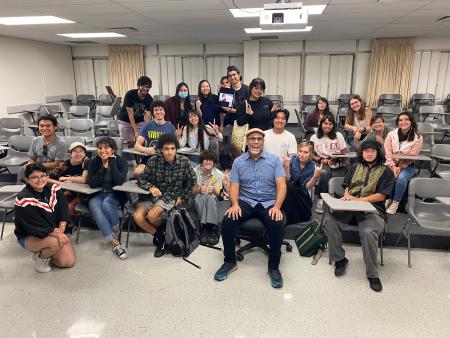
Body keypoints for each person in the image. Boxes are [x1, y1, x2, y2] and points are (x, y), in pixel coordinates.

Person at [214, 128, 287, 289]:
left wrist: (277, 207)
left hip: (268, 202)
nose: (255, 142)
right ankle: (230, 261)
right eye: (252, 139)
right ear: (247, 142)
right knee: (228, 220)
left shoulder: (274, 160)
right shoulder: (239, 162)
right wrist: (234, 204)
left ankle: (273, 267)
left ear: (263, 142)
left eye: (259, 139)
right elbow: (234, 187)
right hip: (246, 201)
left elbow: (282, 186)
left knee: (277, 222)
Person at [325, 139, 395, 292]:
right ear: (361, 153)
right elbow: (347, 186)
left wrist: (359, 200)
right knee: (330, 220)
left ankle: (372, 273)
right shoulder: (355, 167)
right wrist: (347, 197)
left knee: (368, 232)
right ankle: (340, 259)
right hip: (350, 206)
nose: (369, 153)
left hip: (373, 209)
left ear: (378, 153)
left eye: (372, 151)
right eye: (366, 150)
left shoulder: (386, 171)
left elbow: (381, 196)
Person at [134, 133, 197, 257]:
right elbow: (141, 179)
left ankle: (162, 238)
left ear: (176, 149)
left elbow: (192, 181)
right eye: (166, 149)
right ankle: (161, 235)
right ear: (161, 149)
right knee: (137, 217)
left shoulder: (183, 161)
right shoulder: (153, 161)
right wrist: (150, 187)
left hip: (169, 196)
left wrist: (182, 197)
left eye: (173, 148)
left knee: (152, 216)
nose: (170, 152)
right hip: (150, 196)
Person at [14, 163, 76, 273]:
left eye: (43, 176)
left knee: (67, 262)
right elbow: (34, 226)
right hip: (30, 235)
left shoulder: (55, 189)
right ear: (27, 180)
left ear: (47, 177)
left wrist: (61, 231)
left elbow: (63, 212)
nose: (39, 180)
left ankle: (46, 249)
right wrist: (58, 235)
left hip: (54, 232)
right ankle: (41, 259)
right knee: (55, 243)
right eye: (34, 177)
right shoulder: (23, 199)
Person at [87, 137, 128, 259]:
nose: (102, 151)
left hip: (115, 193)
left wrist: (112, 163)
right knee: (97, 208)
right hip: (98, 193)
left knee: (106, 204)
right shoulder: (94, 162)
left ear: (113, 150)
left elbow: (119, 181)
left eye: (106, 148)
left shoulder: (121, 162)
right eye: (100, 148)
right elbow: (92, 183)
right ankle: (115, 242)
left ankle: (116, 229)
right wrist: (103, 169)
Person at [384, 112, 423, 215]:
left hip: (408, 166)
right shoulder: (391, 135)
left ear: (411, 121)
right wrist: (393, 167)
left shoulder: (418, 137)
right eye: (400, 120)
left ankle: (395, 202)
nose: (403, 122)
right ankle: (388, 199)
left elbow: (411, 157)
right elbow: (388, 154)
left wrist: (400, 168)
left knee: (400, 178)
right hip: (391, 164)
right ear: (397, 122)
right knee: (386, 174)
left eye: (406, 119)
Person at [310, 115, 348, 214]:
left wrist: (336, 158)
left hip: (337, 161)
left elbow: (344, 152)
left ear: (333, 125)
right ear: (321, 124)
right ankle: (321, 200)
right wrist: (321, 159)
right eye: (325, 123)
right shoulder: (314, 137)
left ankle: (342, 201)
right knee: (324, 174)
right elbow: (310, 153)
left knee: (348, 175)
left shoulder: (338, 135)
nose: (327, 126)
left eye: (330, 124)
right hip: (322, 161)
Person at [47, 141, 89, 224]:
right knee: (60, 200)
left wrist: (64, 178)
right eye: (75, 151)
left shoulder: (86, 163)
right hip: (69, 191)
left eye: (81, 151)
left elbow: (83, 180)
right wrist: (62, 182)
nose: (78, 154)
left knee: (70, 206)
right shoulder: (64, 165)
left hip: (83, 193)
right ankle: (57, 224)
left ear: (84, 154)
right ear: (70, 154)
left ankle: (71, 225)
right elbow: (47, 178)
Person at [282, 142, 322, 224]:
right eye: (300, 151)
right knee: (288, 186)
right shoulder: (292, 160)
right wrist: (286, 167)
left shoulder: (312, 166)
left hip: (302, 194)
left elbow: (307, 187)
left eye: (306, 152)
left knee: (290, 187)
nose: (302, 154)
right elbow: (288, 179)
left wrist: (315, 176)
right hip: (288, 192)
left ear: (310, 154)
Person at [134, 101, 176, 177]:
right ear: (153, 113)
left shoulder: (171, 128)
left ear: (165, 112)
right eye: (156, 110)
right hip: (150, 157)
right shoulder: (147, 126)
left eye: (161, 109)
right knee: (137, 172)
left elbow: (175, 147)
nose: (159, 112)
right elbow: (137, 145)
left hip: (166, 158)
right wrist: (146, 150)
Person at [192, 149, 223, 246]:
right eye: (206, 159)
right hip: (197, 198)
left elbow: (219, 195)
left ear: (214, 163)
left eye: (210, 160)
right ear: (202, 161)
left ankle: (212, 227)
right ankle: (205, 227)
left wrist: (213, 189)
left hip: (212, 198)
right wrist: (198, 190)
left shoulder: (219, 174)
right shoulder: (195, 171)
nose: (208, 162)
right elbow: (190, 194)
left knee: (210, 197)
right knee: (199, 197)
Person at [118, 76, 153, 148]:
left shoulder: (149, 99)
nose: (145, 89)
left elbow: (147, 116)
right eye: (143, 86)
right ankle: (133, 159)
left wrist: (147, 129)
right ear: (138, 86)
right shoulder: (130, 95)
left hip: (139, 120)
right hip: (125, 120)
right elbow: (130, 114)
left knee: (141, 140)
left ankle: (140, 159)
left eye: (148, 87)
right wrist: (136, 131)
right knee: (130, 142)